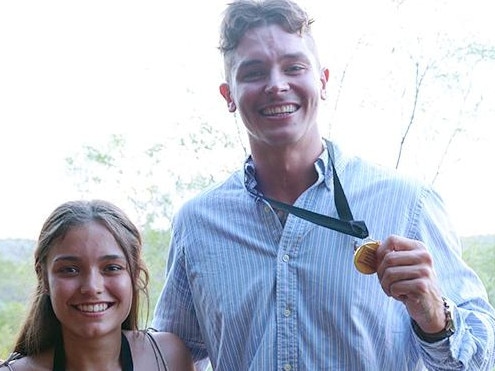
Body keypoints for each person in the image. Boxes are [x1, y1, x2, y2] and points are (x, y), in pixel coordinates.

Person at [151, 0, 495, 369]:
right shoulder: (197, 223)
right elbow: (168, 355)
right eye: (253, 73)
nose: (276, 85)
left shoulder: (409, 203)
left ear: (323, 81)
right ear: (229, 96)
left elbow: (481, 359)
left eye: (294, 67)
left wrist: (435, 317)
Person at [0, 200, 194, 371]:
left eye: (111, 268)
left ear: (134, 275)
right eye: (70, 270)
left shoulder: (168, 357)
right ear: (43, 278)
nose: (92, 287)